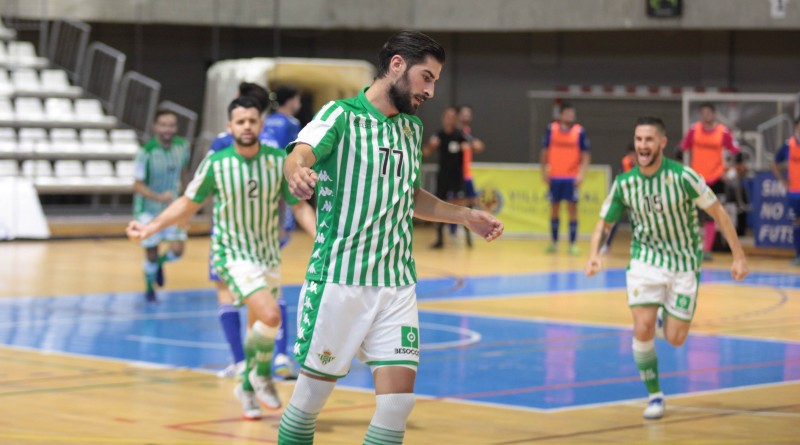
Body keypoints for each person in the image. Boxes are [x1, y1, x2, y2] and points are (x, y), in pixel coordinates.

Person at [277, 31, 504, 445]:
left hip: (396, 284)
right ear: (397, 65)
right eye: (427, 77)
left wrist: (464, 216)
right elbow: (301, 152)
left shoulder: (412, 130)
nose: (430, 90)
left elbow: (408, 194)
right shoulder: (341, 115)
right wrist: (297, 170)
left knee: (397, 405)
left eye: (434, 81)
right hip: (339, 281)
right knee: (310, 399)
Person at [126, 96, 317, 420]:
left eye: (252, 121)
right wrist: (150, 227)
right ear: (230, 127)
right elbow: (188, 202)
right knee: (271, 316)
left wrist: (322, 239)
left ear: (261, 124)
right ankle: (261, 375)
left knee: (260, 325)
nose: (246, 126)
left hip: (267, 254)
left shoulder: (276, 160)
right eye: (240, 122)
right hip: (232, 254)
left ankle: (245, 384)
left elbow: (298, 206)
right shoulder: (217, 163)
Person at [585, 116, 749, 420]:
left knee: (675, 338)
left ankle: (664, 317)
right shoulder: (625, 183)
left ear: (661, 143)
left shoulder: (684, 177)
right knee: (642, 327)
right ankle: (655, 395)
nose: (642, 146)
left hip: (684, 263)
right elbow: (604, 223)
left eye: (649, 140)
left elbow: (719, 214)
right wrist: (595, 253)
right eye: (638, 140)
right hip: (645, 261)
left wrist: (738, 256)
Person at [208, 83, 271, 380]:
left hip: (232, 234)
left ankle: (242, 362)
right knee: (265, 301)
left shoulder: (223, 142)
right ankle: (265, 362)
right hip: (264, 233)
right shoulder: (277, 139)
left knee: (230, 293)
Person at [132, 110, 191, 302]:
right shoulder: (146, 152)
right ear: (155, 127)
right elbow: (137, 185)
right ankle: (149, 286)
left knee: (177, 250)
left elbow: (184, 173)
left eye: (172, 125)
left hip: (173, 209)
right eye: (163, 125)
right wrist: (157, 197)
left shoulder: (183, 147)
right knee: (151, 252)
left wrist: (187, 198)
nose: (168, 129)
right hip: (148, 211)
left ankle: (159, 265)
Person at [680, 102, 740, 260]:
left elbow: (737, 152)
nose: (706, 115)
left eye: (708, 112)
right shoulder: (694, 130)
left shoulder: (723, 132)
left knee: (712, 215)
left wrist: (730, 171)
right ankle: (689, 247)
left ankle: (706, 250)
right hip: (696, 179)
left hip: (716, 179)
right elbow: (680, 150)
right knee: (691, 214)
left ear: (714, 114)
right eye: (703, 112)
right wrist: (682, 171)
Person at [540, 102, 590, 255]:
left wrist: (582, 173)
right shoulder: (551, 129)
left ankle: (572, 244)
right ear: (560, 115)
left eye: (572, 113)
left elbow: (586, 155)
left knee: (572, 210)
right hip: (555, 176)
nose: (570, 116)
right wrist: (543, 170)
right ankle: (554, 243)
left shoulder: (579, 131)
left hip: (571, 177)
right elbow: (544, 151)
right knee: (554, 209)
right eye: (567, 113)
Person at [423, 106, 471, 248]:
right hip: (443, 176)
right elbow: (425, 152)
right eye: (447, 116)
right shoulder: (438, 135)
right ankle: (439, 239)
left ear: (456, 119)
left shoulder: (460, 135)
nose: (449, 119)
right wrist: (431, 146)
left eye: (452, 116)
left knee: (461, 204)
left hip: (457, 177)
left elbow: (478, 146)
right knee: (439, 204)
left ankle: (468, 237)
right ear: (443, 118)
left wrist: (469, 146)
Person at [770, 117, 800, 265]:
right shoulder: (789, 145)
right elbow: (774, 163)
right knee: (796, 223)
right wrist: (783, 180)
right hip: (794, 192)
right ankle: (798, 255)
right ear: (795, 128)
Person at [456, 104, 485, 247]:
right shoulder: (455, 132)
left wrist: (471, 144)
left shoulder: (467, 132)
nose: (466, 116)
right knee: (456, 202)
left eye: (469, 114)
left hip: (467, 174)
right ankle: (451, 232)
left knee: (471, 201)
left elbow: (479, 146)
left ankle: (467, 234)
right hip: (456, 174)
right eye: (464, 113)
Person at [600, 142, 636, 255]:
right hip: (624, 196)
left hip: (638, 197)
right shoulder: (624, 163)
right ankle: (606, 245)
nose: (633, 157)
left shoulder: (644, 164)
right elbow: (620, 181)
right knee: (613, 221)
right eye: (631, 154)